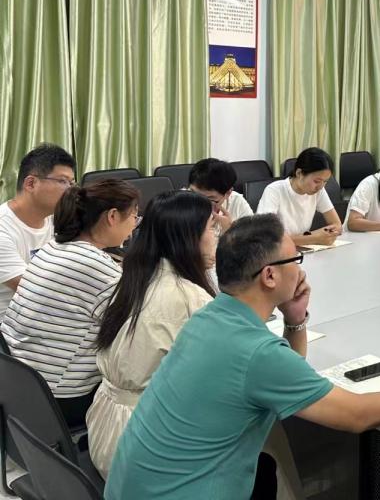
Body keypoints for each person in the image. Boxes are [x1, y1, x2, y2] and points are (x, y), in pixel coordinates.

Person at [104, 214, 380, 500]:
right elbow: (356, 416)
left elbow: (286, 375)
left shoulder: (208, 318)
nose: (300, 269)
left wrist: (294, 320)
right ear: (269, 276)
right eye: (295, 259)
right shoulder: (256, 352)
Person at [86, 191, 218, 476]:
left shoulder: (132, 278)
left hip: (106, 431)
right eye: (211, 227)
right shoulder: (191, 297)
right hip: (145, 447)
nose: (216, 236)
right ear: (189, 237)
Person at [1, 180, 138, 428]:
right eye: (133, 216)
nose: (135, 224)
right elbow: (135, 325)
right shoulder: (96, 266)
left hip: (20, 385)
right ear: (112, 216)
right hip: (61, 396)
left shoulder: (55, 247)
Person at [0, 144, 76, 318]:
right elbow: (36, 289)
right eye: (62, 181)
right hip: (10, 326)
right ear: (31, 183)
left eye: (72, 183)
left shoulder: (55, 220)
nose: (71, 190)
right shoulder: (3, 228)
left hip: (44, 318)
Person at [257, 147, 340, 245]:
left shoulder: (319, 191)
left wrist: (326, 234)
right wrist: (314, 238)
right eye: (317, 181)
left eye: (325, 182)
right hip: (277, 251)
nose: (321, 187)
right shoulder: (274, 191)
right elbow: (267, 236)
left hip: (303, 248)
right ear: (299, 173)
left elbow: (337, 224)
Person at [188, 158, 253, 230]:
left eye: (209, 199)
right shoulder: (181, 203)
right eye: (193, 194)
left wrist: (229, 230)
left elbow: (253, 234)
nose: (198, 203)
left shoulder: (237, 202)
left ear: (228, 193)